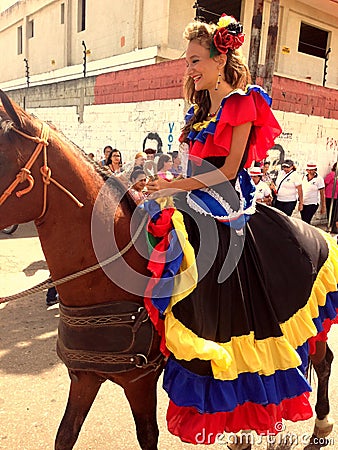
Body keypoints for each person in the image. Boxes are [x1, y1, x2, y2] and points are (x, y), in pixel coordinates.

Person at [145, 13, 338, 446]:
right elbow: (191, 164)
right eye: (186, 62)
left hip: (228, 202)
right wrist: (161, 183)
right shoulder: (200, 110)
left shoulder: (240, 102)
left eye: (196, 60)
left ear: (219, 59)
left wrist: (176, 184)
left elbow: (230, 169)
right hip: (192, 194)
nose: (189, 69)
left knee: (217, 272)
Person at [324, 162, 338, 233]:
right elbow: (326, 182)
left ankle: (334, 225)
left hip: (337, 196)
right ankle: (330, 224)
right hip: (330, 196)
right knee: (330, 210)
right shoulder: (332, 174)